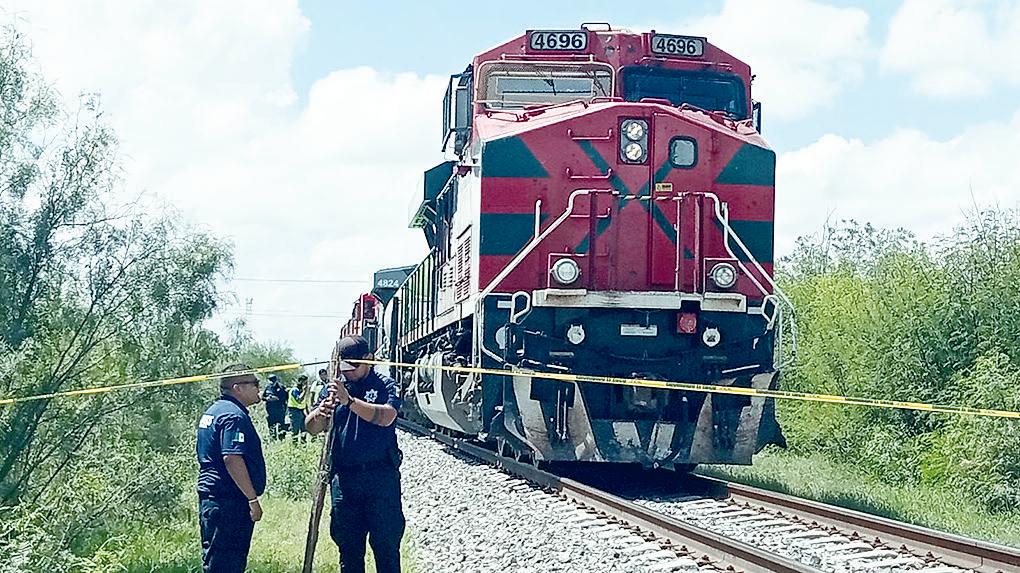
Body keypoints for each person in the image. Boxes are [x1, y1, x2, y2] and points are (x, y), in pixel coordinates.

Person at [306, 336, 405, 573]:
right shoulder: (333, 389)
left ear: (369, 360)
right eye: (344, 366)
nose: (348, 372)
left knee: (386, 548)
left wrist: (349, 401)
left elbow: (386, 417)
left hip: (380, 478)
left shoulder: (385, 385)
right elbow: (311, 427)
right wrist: (320, 413)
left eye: (354, 366)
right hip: (345, 480)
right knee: (349, 550)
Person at [196, 364, 267, 573]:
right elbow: (232, 458)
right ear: (238, 388)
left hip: (216, 499)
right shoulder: (233, 416)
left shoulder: (215, 411)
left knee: (218, 562)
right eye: (254, 383)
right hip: (229, 502)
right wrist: (252, 499)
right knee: (227, 564)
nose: (258, 388)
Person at [262, 374, 288, 440]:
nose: (271, 382)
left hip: (279, 410)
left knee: (281, 425)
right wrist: (267, 398)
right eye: (270, 380)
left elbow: (285, 398)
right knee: (271, 425)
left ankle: (282, 439)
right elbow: (263, 397)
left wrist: (277, 398)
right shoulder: (267, 387)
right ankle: (273, 438)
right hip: (270, 411)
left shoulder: (281, 387)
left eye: (273, 380)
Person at [287, 375, 310, 441]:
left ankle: (303, 443)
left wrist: (308, 412)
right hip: (294, 411)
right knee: (295, 430)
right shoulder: (295, 390)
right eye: (305, 383)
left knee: (304, 429)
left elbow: (304, 402)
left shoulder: (301, 390)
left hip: (301, 411)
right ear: (300, 382)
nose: (306, 384)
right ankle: (295, 444)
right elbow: (299, 400)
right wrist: (305, 391)